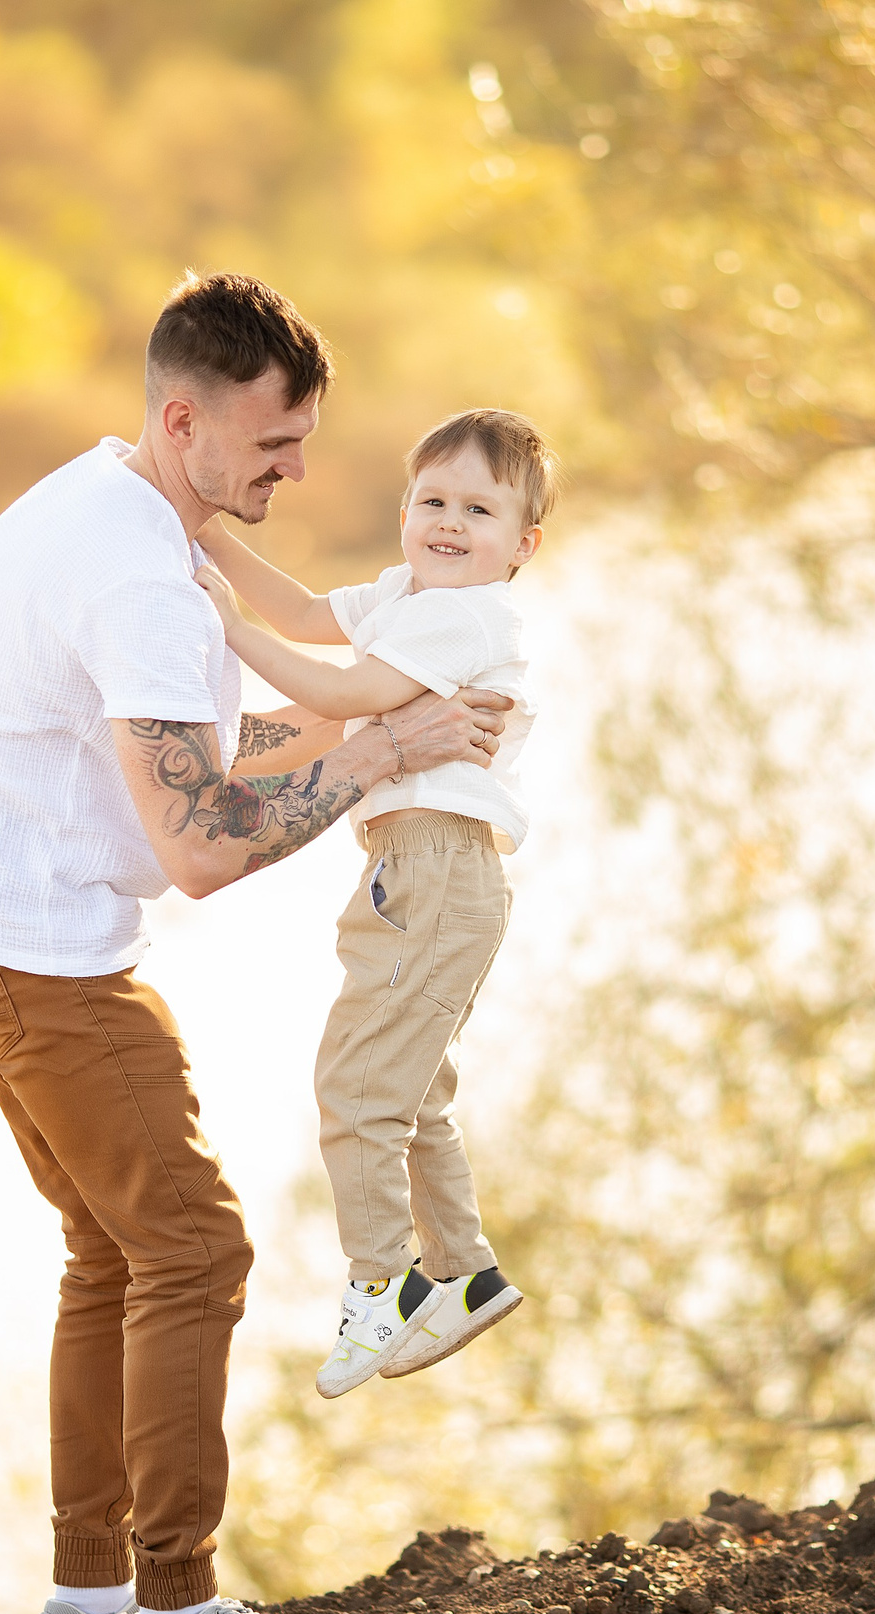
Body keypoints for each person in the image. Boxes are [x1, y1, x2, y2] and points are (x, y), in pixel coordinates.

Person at [0, 273, 509, 1614]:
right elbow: (202, 843)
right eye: (274, 445)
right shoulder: (145, 580)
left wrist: (394, 719)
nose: (296, 469)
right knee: (194, 1251)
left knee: (112, 1255)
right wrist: (377, 758)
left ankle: (90, 1610)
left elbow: (209, 751)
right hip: (33, 958)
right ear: (185, 417)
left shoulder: (106, 498)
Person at [192, 408, 554, 1398]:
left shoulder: (464, 615)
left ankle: (380, 1282)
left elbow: (341, 692)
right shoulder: (409, 594)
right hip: (422, 874)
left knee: (356, 1093)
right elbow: (310, 615)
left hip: (433, 872)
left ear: (521, 545)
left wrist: (226, 626)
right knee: (408, 1087)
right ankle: (462, 1272)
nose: (447, 522)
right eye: (431, 500)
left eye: (477, 509)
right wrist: (204, 531)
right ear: (403, 511)